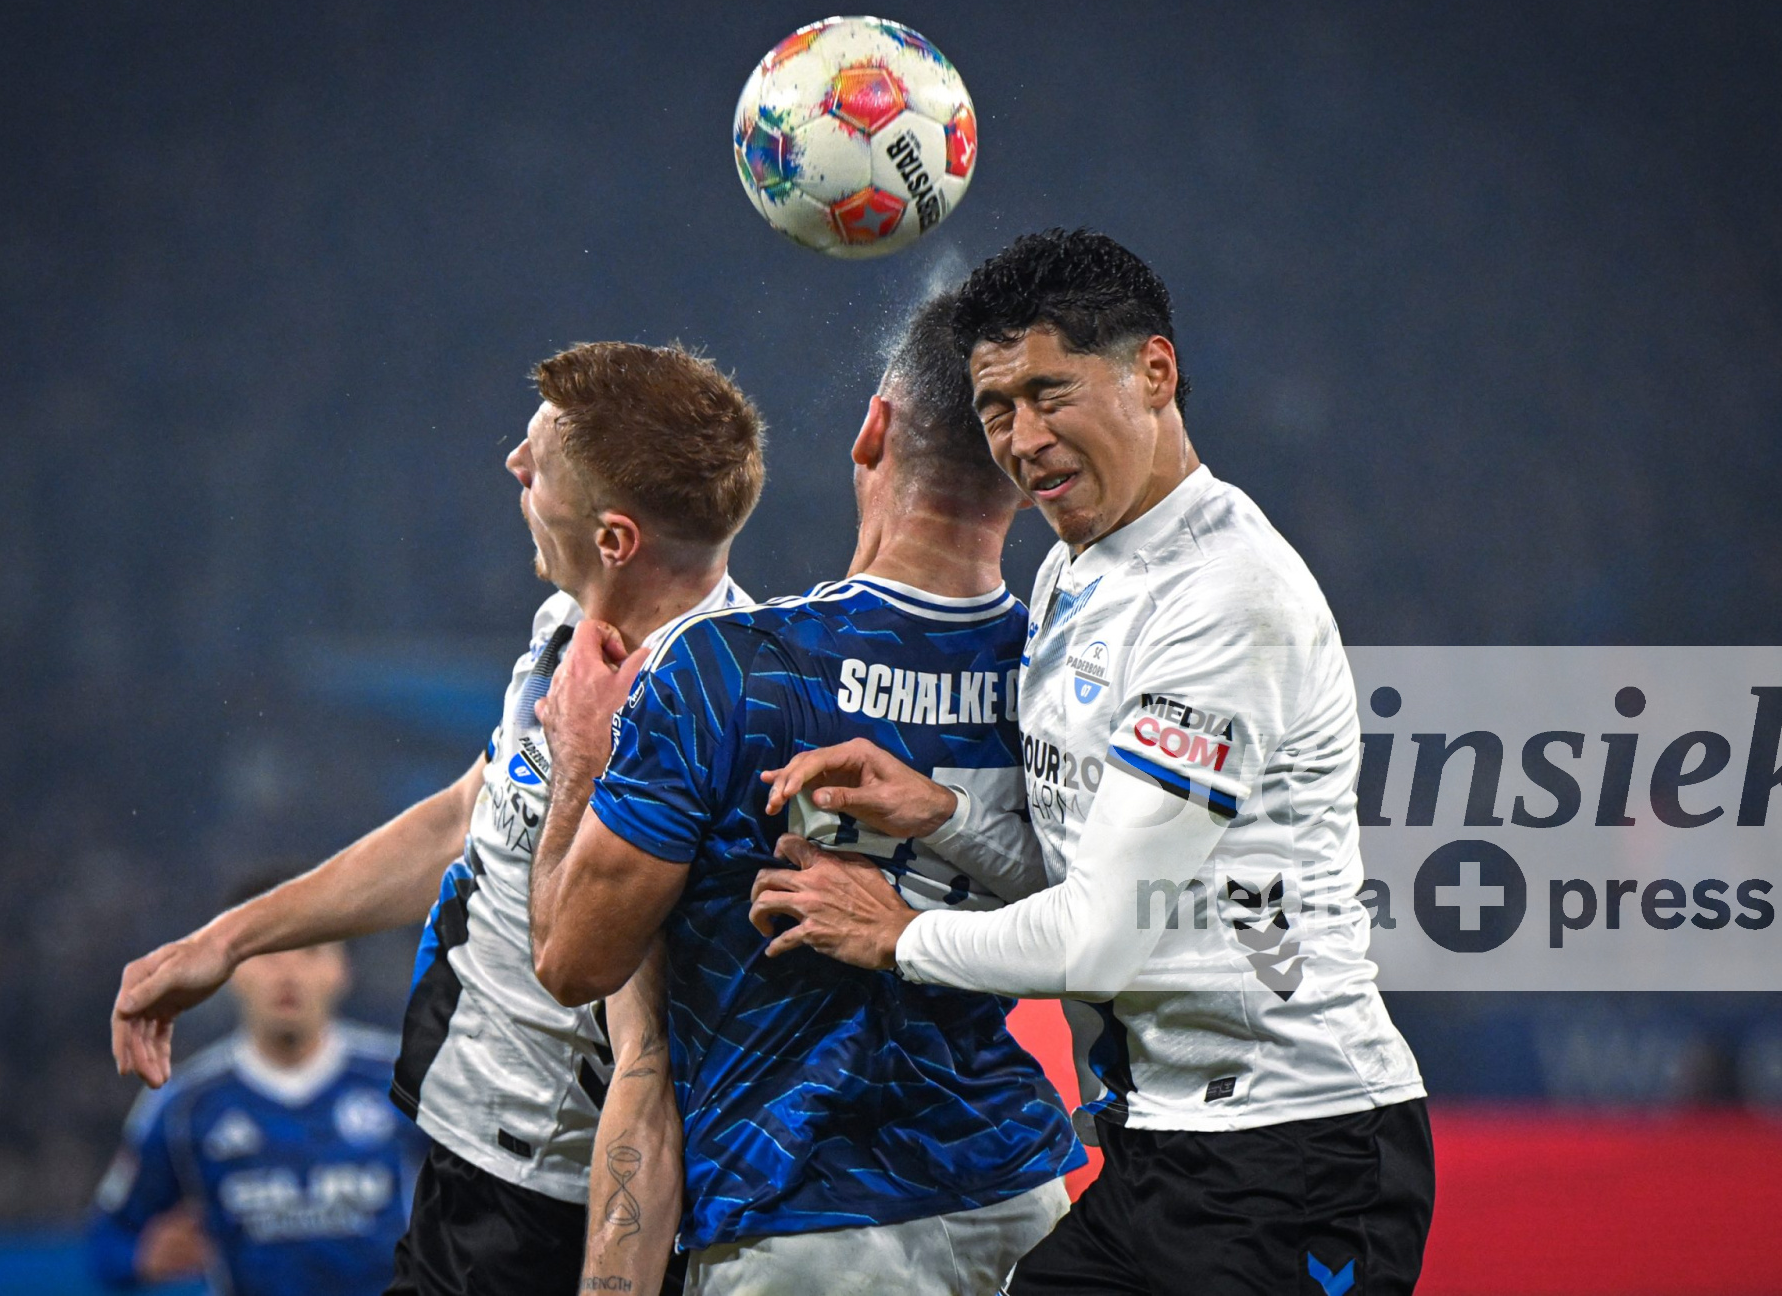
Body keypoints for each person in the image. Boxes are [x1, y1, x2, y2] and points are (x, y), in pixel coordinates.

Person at [750, 229, 1435, 1296]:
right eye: (994, 408)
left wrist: (895, 936)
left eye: (1049, 392)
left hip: (1293, 1155)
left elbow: (1100, 938)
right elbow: (1097, 883)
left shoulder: (1223, 599)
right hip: (1159, 1146)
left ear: (1153, 372)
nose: (1021, 439)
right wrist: (943, 814)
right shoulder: (1079, 570)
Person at [108, 341, 764, 1295]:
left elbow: (647, 1065)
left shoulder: (686, 716)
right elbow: (470, 814)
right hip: (483, 1172)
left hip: (549, 1208)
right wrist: (228, 939)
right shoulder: (577, 628)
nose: (515, 464)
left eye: (540, 460)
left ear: (616, 538)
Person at [528, 292, 1083, 1296]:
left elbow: (573, 960)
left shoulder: (729, 667)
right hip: (1020, 1203)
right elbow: (1116, 915)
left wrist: (577, 767)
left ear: (872, 431)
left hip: (803, 1221)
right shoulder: (1058, 673)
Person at [88, 867, 428, 1296]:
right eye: (267, 953)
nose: (288, 974)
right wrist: (141, 1257)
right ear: (229, 969)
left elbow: (487, 1201)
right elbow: (107, 1241)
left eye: (310, 951)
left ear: (341, 969)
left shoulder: (408, 1080)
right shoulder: (186, 1105)